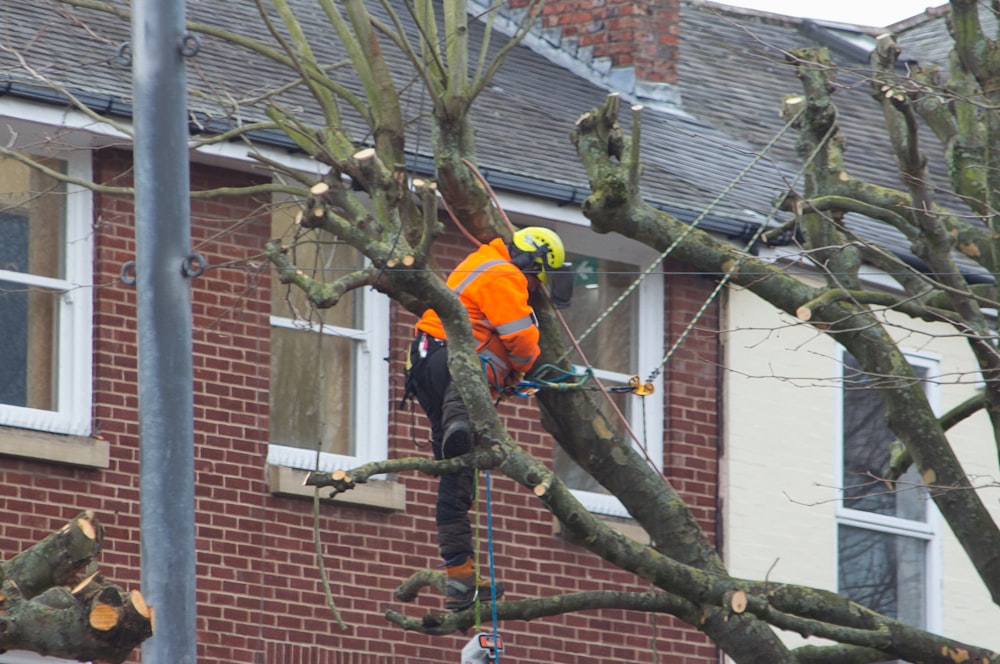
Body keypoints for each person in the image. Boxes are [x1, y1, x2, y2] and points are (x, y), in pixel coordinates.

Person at [404, 226, 565, 611]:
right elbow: (521, 338)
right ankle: (460, 427)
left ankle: (459, 578)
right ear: (532, 261)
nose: (534, 286)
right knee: (473, 381)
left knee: (457, 475)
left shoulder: (479, 262)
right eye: (536, 278)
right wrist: (523, 369)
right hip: (452, 362)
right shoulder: (503, 272)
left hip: (427, 366)